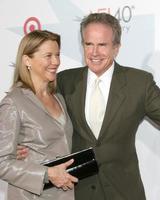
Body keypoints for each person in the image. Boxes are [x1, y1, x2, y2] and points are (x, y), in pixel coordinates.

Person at [17, 13, 160, 200]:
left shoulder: (139, 83)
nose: (94, 53)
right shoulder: (64, 81)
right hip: (76, 191)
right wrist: (20, 141)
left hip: (124, 191)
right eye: (88, 44)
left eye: (102, 45)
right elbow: (29, 111)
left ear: (116, 48)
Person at [0, 30, 78, 200]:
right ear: (27, 60)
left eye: (57, 55)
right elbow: (1, 163)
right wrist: (47, 174)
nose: (56, 62)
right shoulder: (14, 103)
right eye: (48, 56)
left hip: (65, 194)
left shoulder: (58, 99)